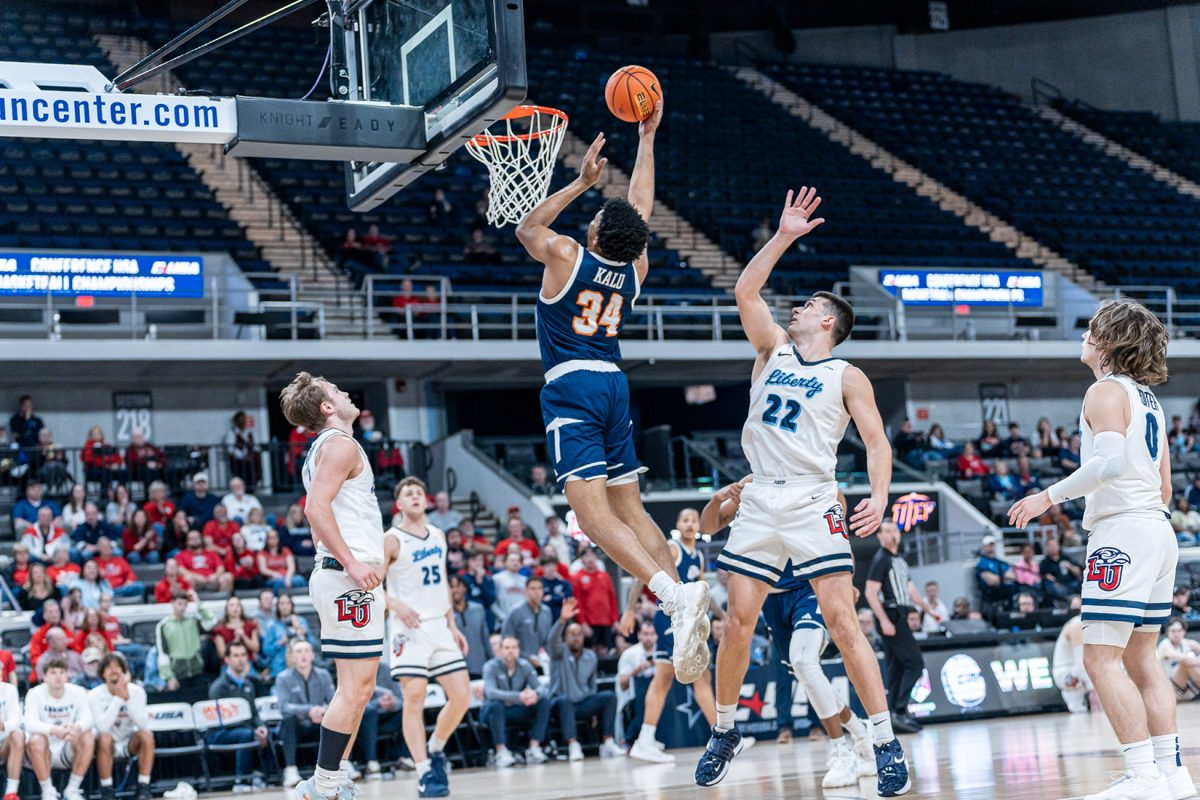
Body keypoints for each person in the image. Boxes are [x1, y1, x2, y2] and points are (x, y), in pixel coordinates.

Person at [693, 186, 908, 796]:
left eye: (809, 304)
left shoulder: (848, 374)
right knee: (737, 623)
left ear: (828, 321)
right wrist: (784, 236)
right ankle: (727, 730)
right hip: (761, 494)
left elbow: (876, 442)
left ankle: (885, 741)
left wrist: (879, 493)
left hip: (815, 497)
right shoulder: (773, 352)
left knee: (843, 620)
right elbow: (745, 291)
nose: (797, 309)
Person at [515, 102, 710, 686]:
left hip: (571, 385)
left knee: (591, 518)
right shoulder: (632, 271)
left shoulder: (569, 256)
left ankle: (672, 597)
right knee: (631, 510)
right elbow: (640, 213)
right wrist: (647, 138)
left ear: (596, 231)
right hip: (613, 384)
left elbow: (528, 228)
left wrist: (579, 182)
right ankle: (684, 595)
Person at [1008, 297, 1188, 800]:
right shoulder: (1149, 399)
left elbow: (1107, 464)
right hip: (1157, 529)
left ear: (1110, 341)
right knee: (1142, 659)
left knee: (1101, 660)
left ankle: (1143, 776)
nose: (1084, 334)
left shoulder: (1105, 391)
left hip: (1124, 532)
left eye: (1091, 328)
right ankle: (1173, 775)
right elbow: (1166, 488)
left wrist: (1048, 496)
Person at [702, 481, 869, 782]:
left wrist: (848, 583)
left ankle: (841, 750)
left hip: (809, 588)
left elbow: (838, 538)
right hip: (770, 599)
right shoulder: (751, 484)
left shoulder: (815, 477)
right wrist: (717, 499)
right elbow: (708, 526)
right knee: (806, 673)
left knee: (805, 662)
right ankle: (859, 731)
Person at [282, 372, 386, 800]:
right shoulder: (339, 445)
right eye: (336, 392)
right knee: (355, 688)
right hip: (346, 577)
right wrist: (350, 562)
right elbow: (314, 508)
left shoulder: (329, 447)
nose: (345, 393)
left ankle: (335, 776)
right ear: (327, 408)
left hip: (346, 576)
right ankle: (322, 785)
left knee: (358, 689)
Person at [380, 476, 469, 798]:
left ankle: (436, 748)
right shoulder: (390, 539)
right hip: (408, 629)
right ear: (400, 504)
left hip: (439, 626)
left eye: (420, 491)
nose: (416, 496)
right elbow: (373, 582)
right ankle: (423, 772)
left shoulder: (439, 534)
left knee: (462, 696)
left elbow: (442, 580)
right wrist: (395, 605)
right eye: (409, 493)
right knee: (414, 698)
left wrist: (453, 624)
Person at [624, 508, 720, 764]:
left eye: (693, 520)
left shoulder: (698, 556)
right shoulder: (671, 547)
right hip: (669, 618)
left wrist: (723, 616)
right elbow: (639, 578)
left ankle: (720, 735)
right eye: (685, 520)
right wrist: (629, 612)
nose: (689, 524)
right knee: (665, 676)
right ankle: (645, 739)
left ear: (699, 525)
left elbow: (703, 597)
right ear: (678, 524)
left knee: (702, 676)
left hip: (691, 620)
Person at [866, 521, 942, 734]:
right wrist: (883, 620)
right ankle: (898, 710)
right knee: (915, 663)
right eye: (887, 530)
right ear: (879, 536)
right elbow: (870, 592)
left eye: (895, 530)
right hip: (891, 615)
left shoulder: (899, 559)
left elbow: (911, 591)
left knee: (897, 667)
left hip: (900, 613)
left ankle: (895, 714)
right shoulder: (880, 559)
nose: (892, 534)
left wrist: (928, 609)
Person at [548, 599, 623, 761]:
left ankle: (608, 742)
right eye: (571, 635)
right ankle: (573, 745)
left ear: (583, 637)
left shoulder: (590, 656)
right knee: (565, 700)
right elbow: (551, 641)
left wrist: (594, 711)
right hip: (559, 703)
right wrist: (561, 621)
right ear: (565, 637)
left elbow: (592, 684)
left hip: (582, 703)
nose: (575, 638)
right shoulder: (559, 652)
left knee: (609, 696)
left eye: (578, 634)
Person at [207, 641, 273, 791]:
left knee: (269, 732)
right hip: (219, 733)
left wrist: (261, 727)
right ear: (227, 659)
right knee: (246, 734)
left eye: (243, 655)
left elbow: (254, 714)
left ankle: (264, 776)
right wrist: (252, 731)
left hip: (245, 729)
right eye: (236, 655)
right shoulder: (219, 687)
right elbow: (222, 720)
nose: (241, 659)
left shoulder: (249, 684)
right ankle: (241, 780)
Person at [25, 658, 94, 800]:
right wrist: (54, 730)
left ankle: (73, 789)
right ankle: (48, 791)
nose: (58, 676)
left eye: (62, 672)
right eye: (53, 672)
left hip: (68, 747)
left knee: (87, 736)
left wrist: (75, 727)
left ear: (67, 675)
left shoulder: (78, 691)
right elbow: (29, 723)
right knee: (37, 738)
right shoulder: (34, 693)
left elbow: (89, 719)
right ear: (44, 677)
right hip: (43, 750)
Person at [481, 636, 553, 768]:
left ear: (518, 650)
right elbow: (491, 692)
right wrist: (518, 696)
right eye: (507, 648)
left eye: (514, 647)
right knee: (496, 705)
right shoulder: (490, 667)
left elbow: (541, 687)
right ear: (500, 650)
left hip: (516, 709)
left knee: (544, 702)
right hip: (492, 711)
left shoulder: (524, 665)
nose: (510, 651)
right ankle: (501, 752)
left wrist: (535, 694)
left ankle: (534, 748)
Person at [90, 653, 153, 800]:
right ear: (102, 674)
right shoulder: (94, 695)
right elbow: (102, 727)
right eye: (109, 667)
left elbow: (143, 723)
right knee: (104, 737)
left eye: (117, 666)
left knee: (147, 735)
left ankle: (143, 787)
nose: (114, 670)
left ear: (124, 672)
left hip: (129, 742)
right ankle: (107, 790)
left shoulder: (137, 691)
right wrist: (118, 699)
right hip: (106, 744)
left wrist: (127, 699)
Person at [275, 640, 337, 788]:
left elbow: (334, 701)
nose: (303, 655)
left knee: (337, 717)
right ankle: (291, 770)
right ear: (292, 658)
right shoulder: (283, 678)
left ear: (312, 655)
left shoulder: (324, 675)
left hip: (320, 724)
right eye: (298, 651)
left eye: (306, 651)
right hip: (298, 727)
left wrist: (323, 711)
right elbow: (284, 707)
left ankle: (341, 765)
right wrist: (308, 711)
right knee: (288, 719)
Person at [155, 589, 215, 693]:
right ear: (172, 603)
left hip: (197, 671)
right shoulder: (163, 625)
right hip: (178, 676)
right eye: (179, 603)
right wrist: (169, 677)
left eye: (185, 604)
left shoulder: (193, 621)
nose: (182, 607)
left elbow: (212, 621)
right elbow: (162, 653)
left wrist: (198, 602)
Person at [570, 546, 620, 653]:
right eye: (586, 555)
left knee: (604, 651)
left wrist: (615, 620)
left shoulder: (604, 576)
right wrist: (582, 623)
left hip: (605, 621)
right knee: (589, 653)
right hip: (589, 622)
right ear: (581, 559)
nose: (590, 558)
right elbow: (577, 602)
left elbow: (612, 598)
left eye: (592, 555)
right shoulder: (577, 578)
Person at [502, 574, 554, 669]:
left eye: (539, 588)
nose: (537, 592)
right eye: (533, 589)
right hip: (519, 664)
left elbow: (547, 639)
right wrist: (526, 657)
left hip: (542, 663)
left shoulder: (547, 612)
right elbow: (506, 639)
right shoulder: (515, 612)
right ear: (526, 591)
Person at [1053, 606, 1093, 713]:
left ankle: (1078, 697)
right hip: (1066, 672)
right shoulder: (1076, 625)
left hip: (1080, 670)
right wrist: (1093, 687)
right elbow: (1081, 662)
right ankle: (1076, 693)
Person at [449, 575, 490, 677]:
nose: (455, 590)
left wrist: (492, 660)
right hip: (454, 667)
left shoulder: (478, 609)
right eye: (451, 587)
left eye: (458, 586)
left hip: (478, 664)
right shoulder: (443, 614)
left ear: (465, 588)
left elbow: (485, 638)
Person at [263, 593, 313, 675]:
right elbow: (266, 650)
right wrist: (280, 642)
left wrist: (301, 630)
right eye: (282, 603)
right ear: (278, 606)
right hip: (279, 668)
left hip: (301, 667)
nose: (285, 606)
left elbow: (312, 645)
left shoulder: (301, 621)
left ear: (292, 605)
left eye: (287, 603)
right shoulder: (272, 625)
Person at [176, 529, 234, 593]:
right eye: (192, 538)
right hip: (195, 580)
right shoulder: (181, 555)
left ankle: (224, 601)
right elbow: (181, 570)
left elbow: (220, 567)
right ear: (187, 542)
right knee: (187, 578)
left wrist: (215, 575)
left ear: (201, 539)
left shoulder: (211, 553)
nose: (195, 540)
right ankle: (191, 601)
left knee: (228, 576)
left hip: (212, 579)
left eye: (197, 538)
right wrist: (196, 576)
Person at [1157, 618, 1200, 702]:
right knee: (1184, 662)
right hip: (1170, 690)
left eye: (1179, 631)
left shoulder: (1186, 642)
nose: (1176, 634)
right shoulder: (1165, 644)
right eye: (1173, 631)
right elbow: (1183, 659)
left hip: (1188, 688)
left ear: (1184, 631)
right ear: (1167, 632)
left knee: (1189, 661)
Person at [975, 535, 1019, 611]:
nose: (991, 548)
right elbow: (991, 581)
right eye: (989, 545)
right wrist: (1004, 577)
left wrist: (997, 577)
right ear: (984, 547)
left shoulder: (999, 562)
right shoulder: (982, 563)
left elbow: (1012, 576)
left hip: (1005, 592)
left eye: (993, 545)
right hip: (991, 595)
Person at [212, 595, 260, 661]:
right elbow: (222, 654)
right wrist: (236, 640)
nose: (235, 608)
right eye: (232, 605)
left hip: (248, 663)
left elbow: (256, 648)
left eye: (238, 605)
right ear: (226, 609)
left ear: (241, 608)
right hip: (229, 666)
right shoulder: (220, 630)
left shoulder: (250, 626)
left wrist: (244, 636)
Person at [0, 658, 21, 800]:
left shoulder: (10, 689)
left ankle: (11, 792)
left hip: (4, 743)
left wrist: (3, 725)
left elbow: (17, 720)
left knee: (18, 734)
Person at [1041, 536, 1084, 604]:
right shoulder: (1045, 562)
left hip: (1072, 583)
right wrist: (1047, 576)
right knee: (1051, 587)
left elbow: (1078, 571)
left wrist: (1070, 567)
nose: (1053, 547)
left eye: (1054, 545)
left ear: (1058, 546)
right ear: (1047, 548)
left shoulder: (1066, 558)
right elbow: (1043, 575)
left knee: (1082, 582)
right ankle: (1070, 600)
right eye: (1050, 546)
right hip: (1058, 585)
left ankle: (1075, 598)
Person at [225, 411, 260, 490]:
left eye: (244, 419)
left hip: (251, 461)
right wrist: (243, 456)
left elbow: (256, 446)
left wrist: (252, 455)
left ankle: (252, 490)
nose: (243, 421)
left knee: (252, 477)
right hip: (238, 462)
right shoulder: (232, 433)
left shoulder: (250, 432)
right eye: (240, 419)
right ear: (236, 421)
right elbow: (230, 449)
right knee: (240, 478)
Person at [492, 552, 527, 624]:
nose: (515, 563)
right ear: (505, 562)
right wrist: (502, 617)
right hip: (503, 620)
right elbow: (492, 602)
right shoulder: (497, 578)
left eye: (518, 561)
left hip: (521, 621)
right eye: (512, 560)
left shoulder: (525, 581)